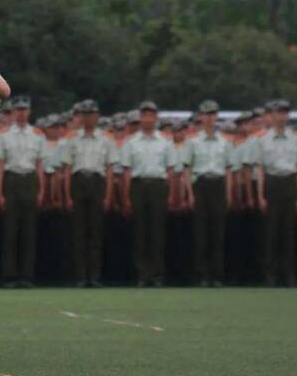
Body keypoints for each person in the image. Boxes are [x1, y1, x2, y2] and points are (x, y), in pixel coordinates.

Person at [251, 99, 297, 287]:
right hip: (272, 183)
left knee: (289, 234)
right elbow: (259, 170)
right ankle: (270, 276)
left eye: (284, 113)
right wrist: (260, 196)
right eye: (278, 113)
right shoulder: (263, 140)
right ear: (272, 116)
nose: (281, 116)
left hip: (289, 183)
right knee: (271, 233)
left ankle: (289, 276)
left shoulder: (296, 139)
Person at [121, 101, 176, 288]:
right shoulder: (131, 142)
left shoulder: (165, 142)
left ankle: (158, 274)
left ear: (156, 118)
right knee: (140, 232)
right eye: (144, 115)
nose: (147, 119)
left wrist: (170, 194)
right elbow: (127, 171)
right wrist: (127, 196)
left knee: (157, 232)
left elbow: (170, 171)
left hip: (158, 186)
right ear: (140, 118)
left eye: (151, 115)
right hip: (139, 185)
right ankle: (143, 275)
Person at [0, 97, 46, 288]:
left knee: (29, 230)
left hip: (30, 180)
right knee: (11, 230)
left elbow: (40, 165)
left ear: (29, 112)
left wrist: (41, 190)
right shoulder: (3, 136)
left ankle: (27, 275)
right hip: (11, 180)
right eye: (18, 109)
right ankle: (10, 275)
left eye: (25, 109)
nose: (22, 113)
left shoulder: (37, 135)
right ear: (13, 112)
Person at [182, 100, 234, 287]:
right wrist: (190, 194)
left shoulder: (225, 142)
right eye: (207, 114)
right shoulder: (193, 142)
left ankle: (217, 275)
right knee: (201, 233)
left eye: (213, 114)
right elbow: (187, 169)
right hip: (201, 185)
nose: (210, 118)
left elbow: (228, 170)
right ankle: (202, 275)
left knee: (218, 233)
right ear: (201, 117)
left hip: (218, 185)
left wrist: (228, 194)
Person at [63, 100, 111, 287]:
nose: (89, 117)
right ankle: (80, 276)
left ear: (97, 116)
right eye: (85, 114)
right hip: (78, 182)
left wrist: (107, 195)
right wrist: (67, 195)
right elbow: (67, 170)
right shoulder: (73, 140)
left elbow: (108, 169)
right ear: (81, 117)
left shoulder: (105, 140)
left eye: (92, 114)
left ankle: (95, 276)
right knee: (79, 232)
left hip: (97, 183)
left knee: (96, 232)